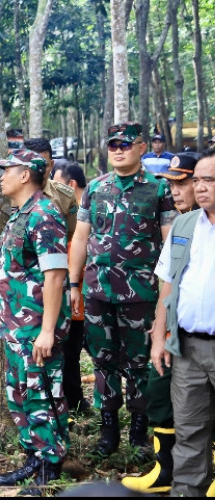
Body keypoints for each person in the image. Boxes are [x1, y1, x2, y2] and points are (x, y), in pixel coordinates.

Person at [69, 122, 177, 459]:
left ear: (141, 148)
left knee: (141, 363)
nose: (118, 150)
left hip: (141, 296)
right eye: (113, 144)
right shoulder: (96, 188)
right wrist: (74, 284)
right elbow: (81, 238)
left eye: (126, 145)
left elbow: (171, 242)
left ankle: (140, 429)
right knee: (103, 363)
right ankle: (109, 429)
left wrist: (167, 295)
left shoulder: (159, 189)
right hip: (99, 294)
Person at [121, 152, 201, 494]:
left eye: (183, 183)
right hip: (173, 330)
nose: (176, 191)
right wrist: (161, 325)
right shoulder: (179, 226)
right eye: (172, 183)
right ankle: (164, 470)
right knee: (158, 393)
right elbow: (167, 282)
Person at [0, 149, 70, 494]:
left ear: (25, 174)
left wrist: (48, 331)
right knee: (21, 393)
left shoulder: (44, 214)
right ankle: (32, 455)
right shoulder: (21, 214)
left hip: (37, 327)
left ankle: (50, 464)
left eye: (7, 170)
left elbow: (55, 277)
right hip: (17, 327)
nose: (1, 176)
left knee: (42, 394)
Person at [148, 153, 215, 497]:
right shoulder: (184, 226)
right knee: (190, 429)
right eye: (198, 180)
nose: (201, 187)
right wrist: (159, 337)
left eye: (210, 180)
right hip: (187, 346)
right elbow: (168, 285)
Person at [51, 162, 91, 416]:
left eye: (57, 184)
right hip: (75, 292)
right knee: (71, 351)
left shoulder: (85, 211)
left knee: (73, 350)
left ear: (71, 185)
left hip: (83, 291)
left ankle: (76, 400)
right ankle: (75, 400)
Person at [24, 138, 79, 241]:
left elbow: (74, 236)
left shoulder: (64, 196)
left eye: (44, 165)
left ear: (52, 165)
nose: (39, 171)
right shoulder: (10, 194)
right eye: (33, 165)